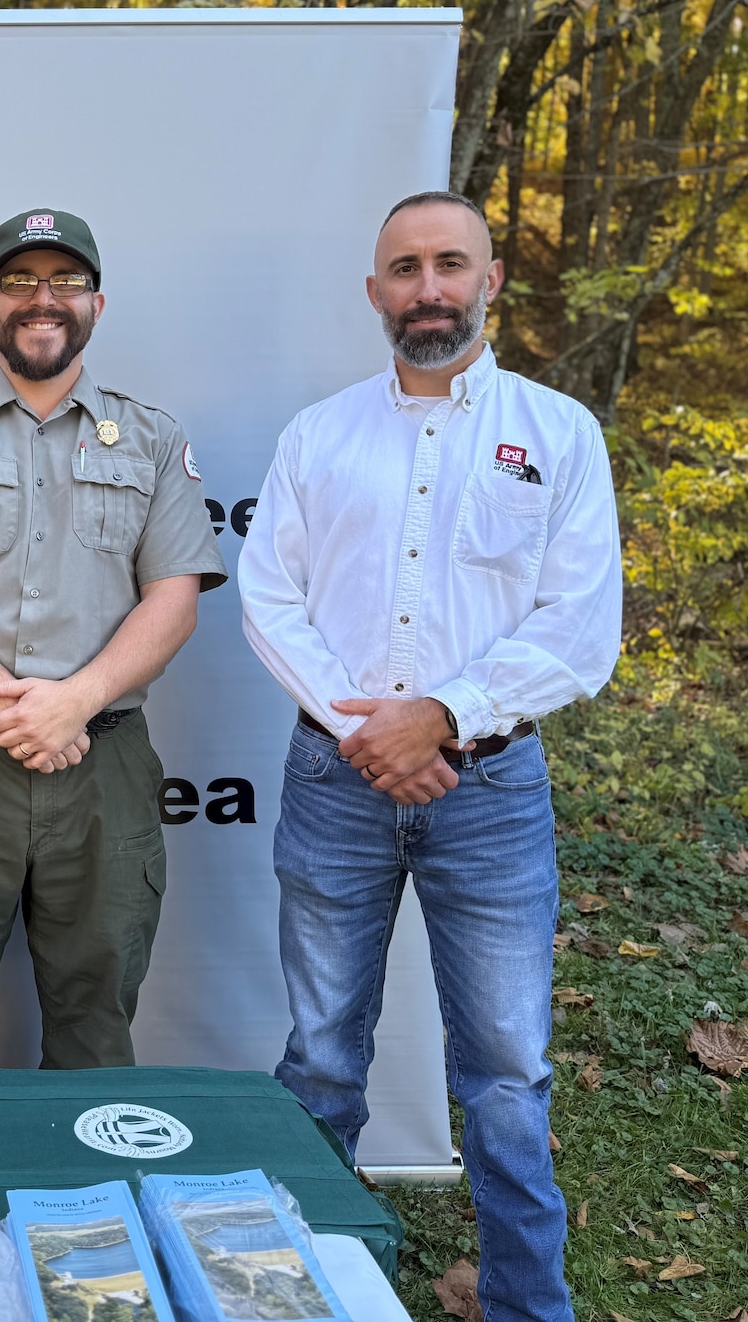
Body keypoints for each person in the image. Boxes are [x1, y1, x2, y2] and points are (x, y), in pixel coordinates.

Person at [238, 191, 622, 1322]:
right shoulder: (318, 435)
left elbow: (577, 627)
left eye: (448, 264)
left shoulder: (557, 435)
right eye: (402, 270)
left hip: (491, 789)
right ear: (374, 293)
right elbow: (267, 598)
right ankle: (301, 1296)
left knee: (506, 1073)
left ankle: (524, 1306)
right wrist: (373, 735)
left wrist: (441, 716)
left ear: (490, 279)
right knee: (316, 1058)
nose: (426, 289)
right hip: (335, 781)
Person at [0, 209, 227, 1078]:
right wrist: (16, 707)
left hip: (99, 760)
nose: (44, 300)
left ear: (96, 305)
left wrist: (74, 702)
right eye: (23, 282)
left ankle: (83, 1210)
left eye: (65, 282)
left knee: (95, 1016)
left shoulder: (151, 436)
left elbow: (174, 598)